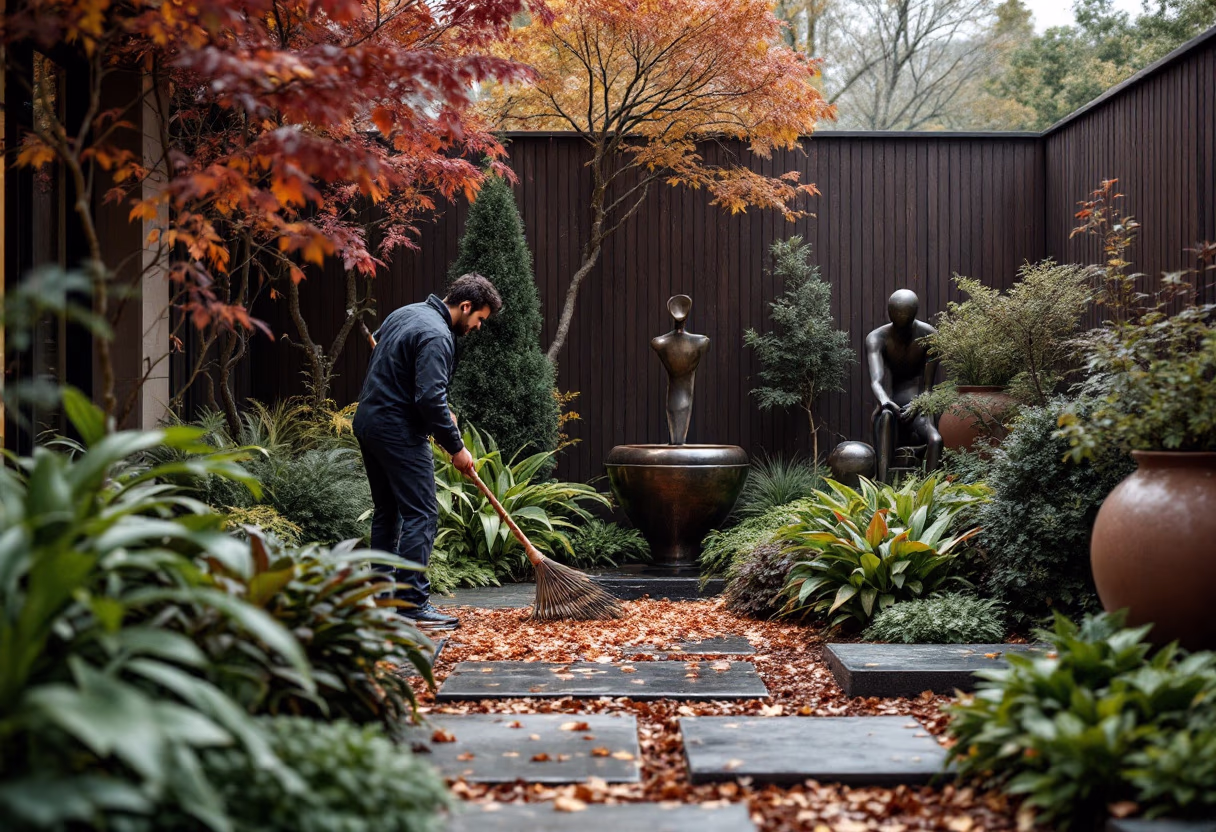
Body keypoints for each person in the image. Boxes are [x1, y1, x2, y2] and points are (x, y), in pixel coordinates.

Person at [353, 274, 503, 629]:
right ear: (465, 307)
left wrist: (429, 405)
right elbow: (429, 398)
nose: (478, 326)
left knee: (388, 511)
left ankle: (382, 597)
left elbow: (381, 348)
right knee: (422, 513)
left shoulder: (406, 313)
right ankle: (410, 605)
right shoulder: (437, 334)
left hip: (368, 421)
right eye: (479, 318)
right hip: (397, 431)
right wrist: (457, 447)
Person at [864, 288, 942, 482]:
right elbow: (876, 380)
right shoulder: (877, 337)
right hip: (893, 405)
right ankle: (881, 488)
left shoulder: (930, 336)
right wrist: (884, 400)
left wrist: (919, 406)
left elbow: (927, 388)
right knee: (886, 417)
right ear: (889, 314)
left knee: (936, 440)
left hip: (919, 407)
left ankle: (928, 496)